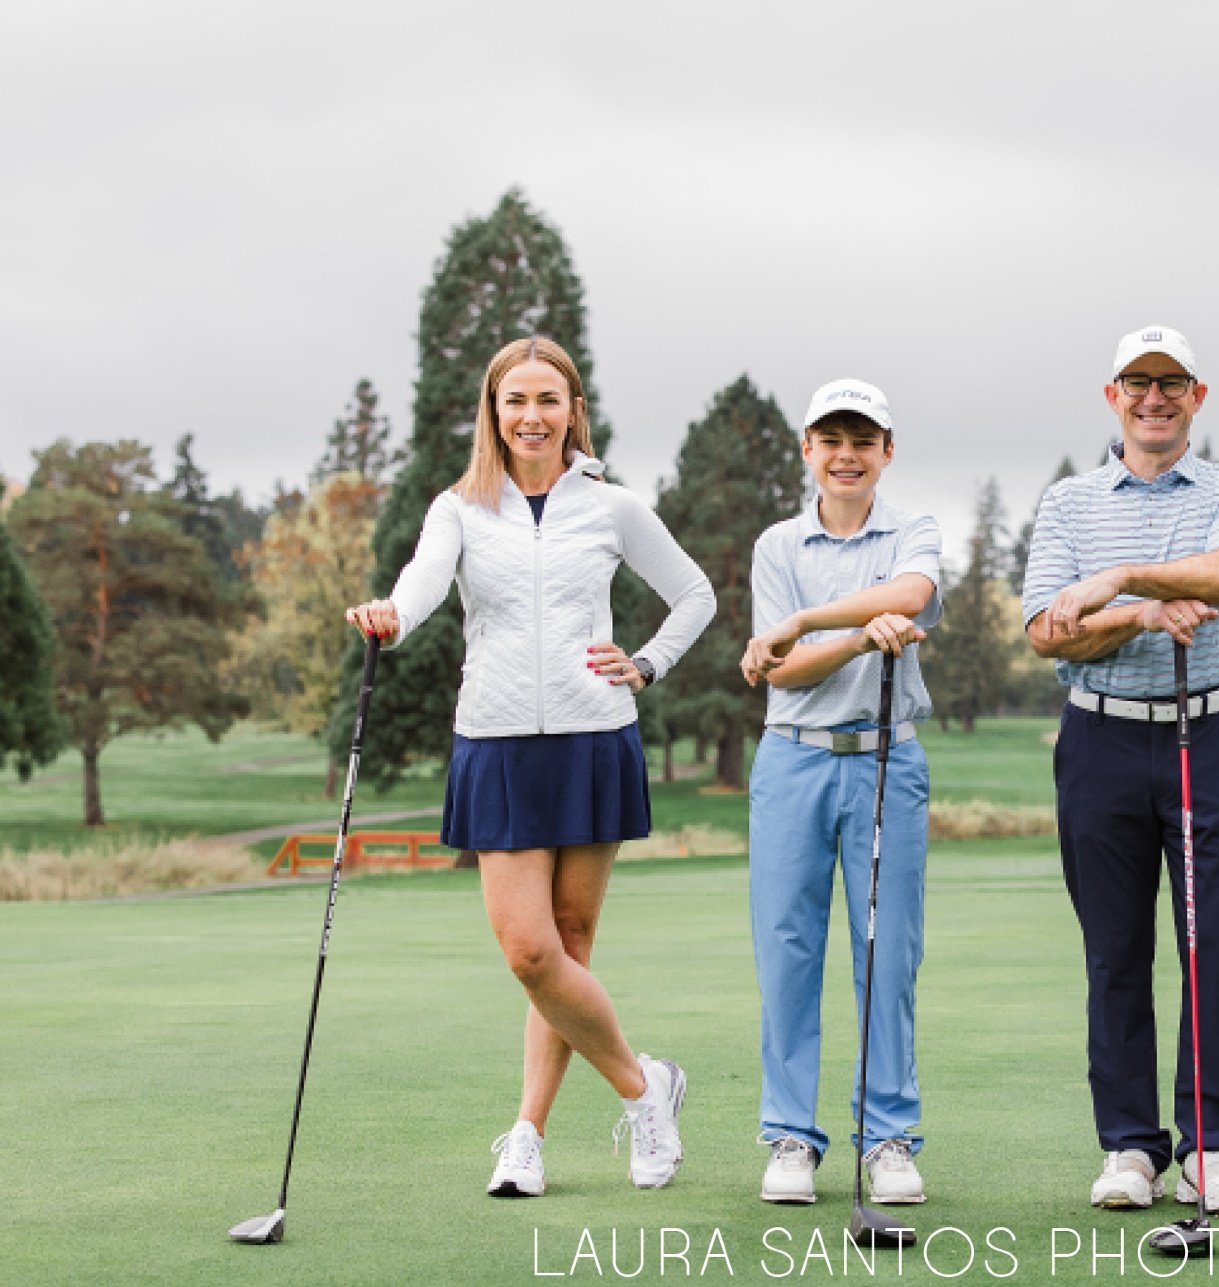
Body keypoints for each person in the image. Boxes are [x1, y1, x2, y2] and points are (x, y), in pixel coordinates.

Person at [345, 336, 715, 1198]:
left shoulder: (612, 506)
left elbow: (695, 593)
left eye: (549, 399)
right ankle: (642, 1084)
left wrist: (648, 663)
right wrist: (391, 618)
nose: (532, 416)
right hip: (498, 740)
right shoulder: (459, 508)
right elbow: (423, 584)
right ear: (494, 412)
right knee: (529, 953)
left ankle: (527, 1135)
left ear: (572, 411)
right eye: (516, 401)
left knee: (572, 943)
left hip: (594, 736)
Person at [1020, 325, 1219, 1216]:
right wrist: (1142, 609)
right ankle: (1131, 1146)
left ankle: (1212, 1146)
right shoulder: (1068, 503)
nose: (1154, 397)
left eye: (1172, 382)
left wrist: (1117, 578)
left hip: (1210, 733)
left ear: (1196, 396)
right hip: (1102, 740)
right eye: (1138, 381)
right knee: (1115, 952)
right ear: (1112, 395)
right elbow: (1048, 630)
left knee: (1218, 946)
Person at [738, 379, 942, 1206]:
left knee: (885, 952)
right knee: (788, 949)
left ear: (886, 451)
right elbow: (781, 671)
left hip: (887, 758)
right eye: (832, 439)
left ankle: (888, 1138)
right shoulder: (778, 545)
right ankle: (791, 1136)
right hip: (793, 759)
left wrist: (803, 622)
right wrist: (854, 633)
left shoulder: (914, 529)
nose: (847, 455)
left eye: (863, 440)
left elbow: (913, 594)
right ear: (808, 451)